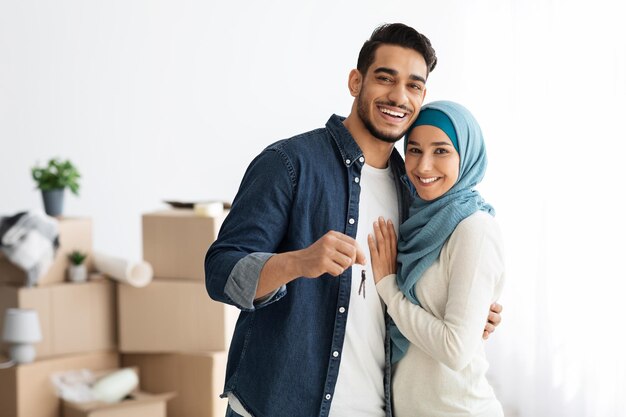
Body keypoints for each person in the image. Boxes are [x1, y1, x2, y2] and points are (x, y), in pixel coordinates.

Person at [205, 24, 501, 417]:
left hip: (374, 408)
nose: (398, 96)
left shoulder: (414, 191)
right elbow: (220, 271)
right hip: (279, 407)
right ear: (355, 81)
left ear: (422, 96)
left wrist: (469, 308)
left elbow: (409, 289)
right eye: (385, 78)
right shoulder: (290, 164)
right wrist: (297, 262)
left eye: (413, 85)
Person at [368, 100, 505, 417]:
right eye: (414, 150)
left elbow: (455, 350)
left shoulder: (474, 229)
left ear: (466, 155)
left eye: (441, 151)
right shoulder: (416, 224)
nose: (423, 166)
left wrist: (389, 287)